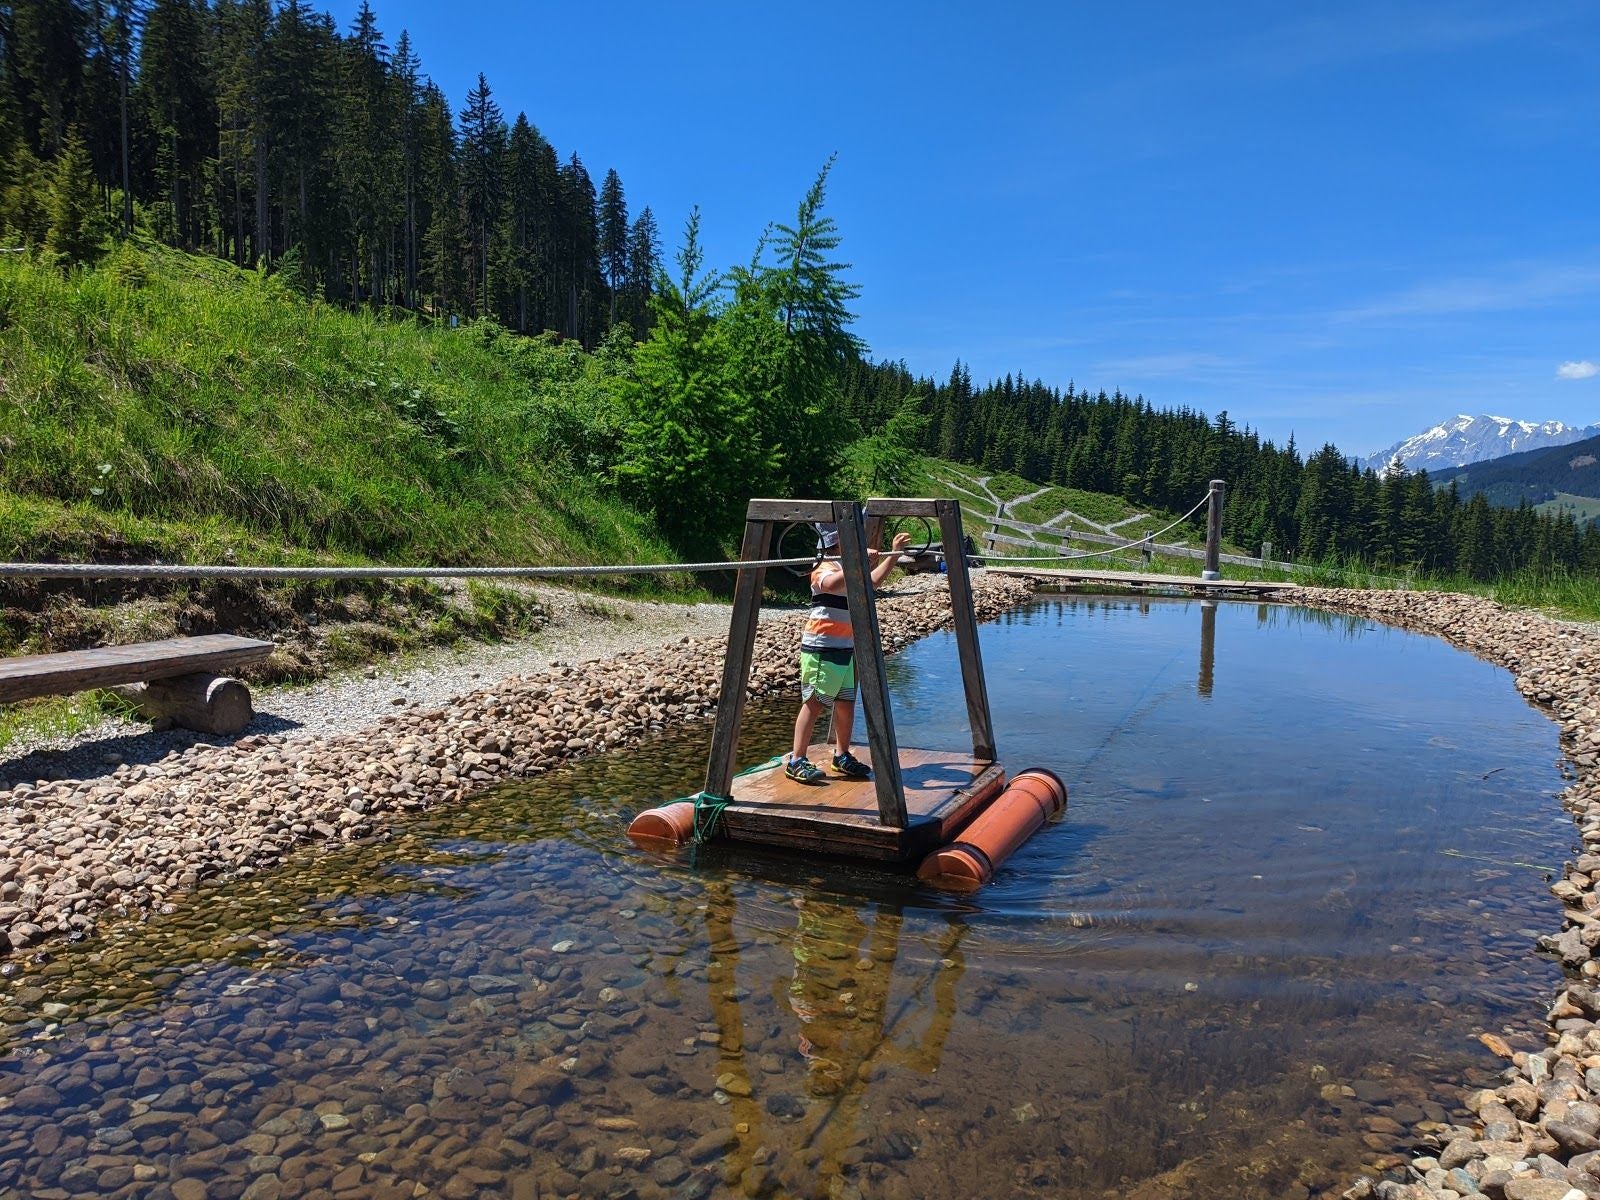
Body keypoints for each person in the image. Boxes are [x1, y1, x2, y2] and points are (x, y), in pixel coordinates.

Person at [785, 523, 913, 784]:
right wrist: (858, 563)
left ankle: (841, 754)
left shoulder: (847, 567)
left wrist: (894, 554)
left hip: (845, 646)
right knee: (815, 700)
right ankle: (796, 759)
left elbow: (873, 582)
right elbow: (830, 584)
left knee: (845, 702)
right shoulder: (823, 567)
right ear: (836, 546)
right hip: (822, 645)